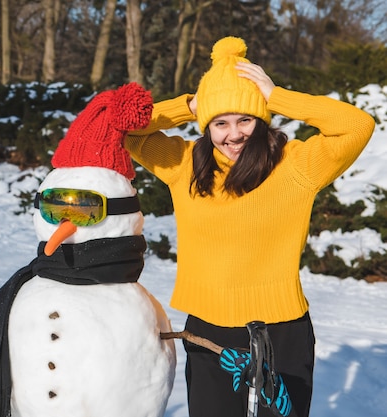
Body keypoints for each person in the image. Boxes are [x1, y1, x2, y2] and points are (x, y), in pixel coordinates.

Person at [124, 36, 375, 417]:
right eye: (220, 122)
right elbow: (126, 128)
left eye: (245, 119)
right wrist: (191, 105)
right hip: (209, 331)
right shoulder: (183, 164)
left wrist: (277, 96)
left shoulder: (297, 164)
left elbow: (358, 125)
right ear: (206, 126)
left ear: (261, 119)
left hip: (283, 331)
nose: (234, 134)